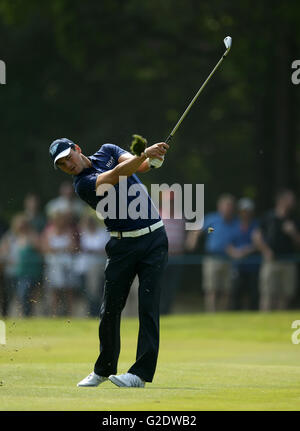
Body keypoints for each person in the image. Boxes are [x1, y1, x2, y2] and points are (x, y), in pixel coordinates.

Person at [49, 137, 169, 388]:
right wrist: (145, 154)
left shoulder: (108, 150)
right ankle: (103, 370)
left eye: (68, 157)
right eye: (61, 164)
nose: (68, 164)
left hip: (154, 240)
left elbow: (139, 167)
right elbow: (114, 176)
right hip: (121, 246)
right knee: (110, 310)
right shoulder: (82, 184)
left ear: (77, 149)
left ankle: (139, 374)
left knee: (148, 307)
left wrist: (153, 159)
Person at [186, 193, 239, 312]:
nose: (228, 209)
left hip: (229, 260)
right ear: (219, 207)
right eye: (226, 206)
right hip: (212, 259)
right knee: (211, 289)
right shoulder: (213, 220)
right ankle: (211, 313)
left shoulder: (236, 223)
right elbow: (198, 229)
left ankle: (223, 313)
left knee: (227, 290)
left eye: (230, 206)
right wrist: (192, 241)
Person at [253, 189, 300, 310]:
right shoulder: (268, 217)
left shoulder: (294, 219)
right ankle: (264, 320)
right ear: (281, 200)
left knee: (285, 294)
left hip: (288, 261)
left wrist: (293, 233)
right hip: (271, 261)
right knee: (268, 293)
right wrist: (265, 250)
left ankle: (280, 318)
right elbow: (256, 236)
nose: (293, 202)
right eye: (290, 199)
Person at [226, 198, 260, 310]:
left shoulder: (256, 225)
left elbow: (259, 243)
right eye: (243, 211)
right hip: (238, 266)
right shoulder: (234, 225)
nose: (245, 213)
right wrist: (235, 253)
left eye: (248, 211)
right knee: (236, 295)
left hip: (253, 266)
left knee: (253, 294)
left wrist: (246, 250)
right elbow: (228, 243)